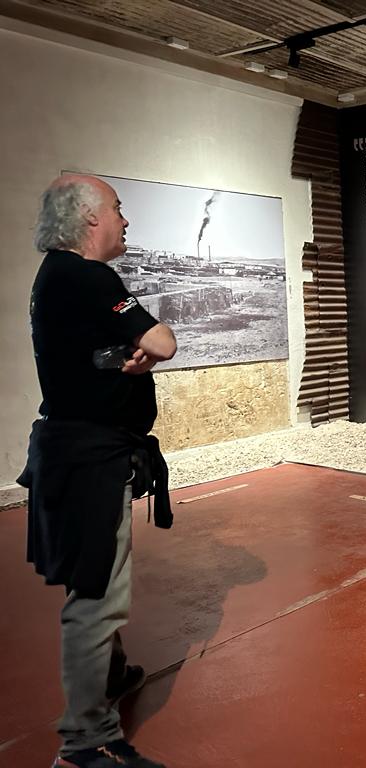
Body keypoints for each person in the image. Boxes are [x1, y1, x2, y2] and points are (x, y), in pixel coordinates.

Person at [18, 174, 176, 768]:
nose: (125, 220)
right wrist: (140, 347)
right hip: (89, 460)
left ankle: (110, 673)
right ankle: (86, 743)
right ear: (89, 219)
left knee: (95, 575)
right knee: (96, 597)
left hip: (74, 452)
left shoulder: (54, 280)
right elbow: (163, 342)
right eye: (117, 208)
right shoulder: (88, 276)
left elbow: (87, 354)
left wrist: (118, 354)